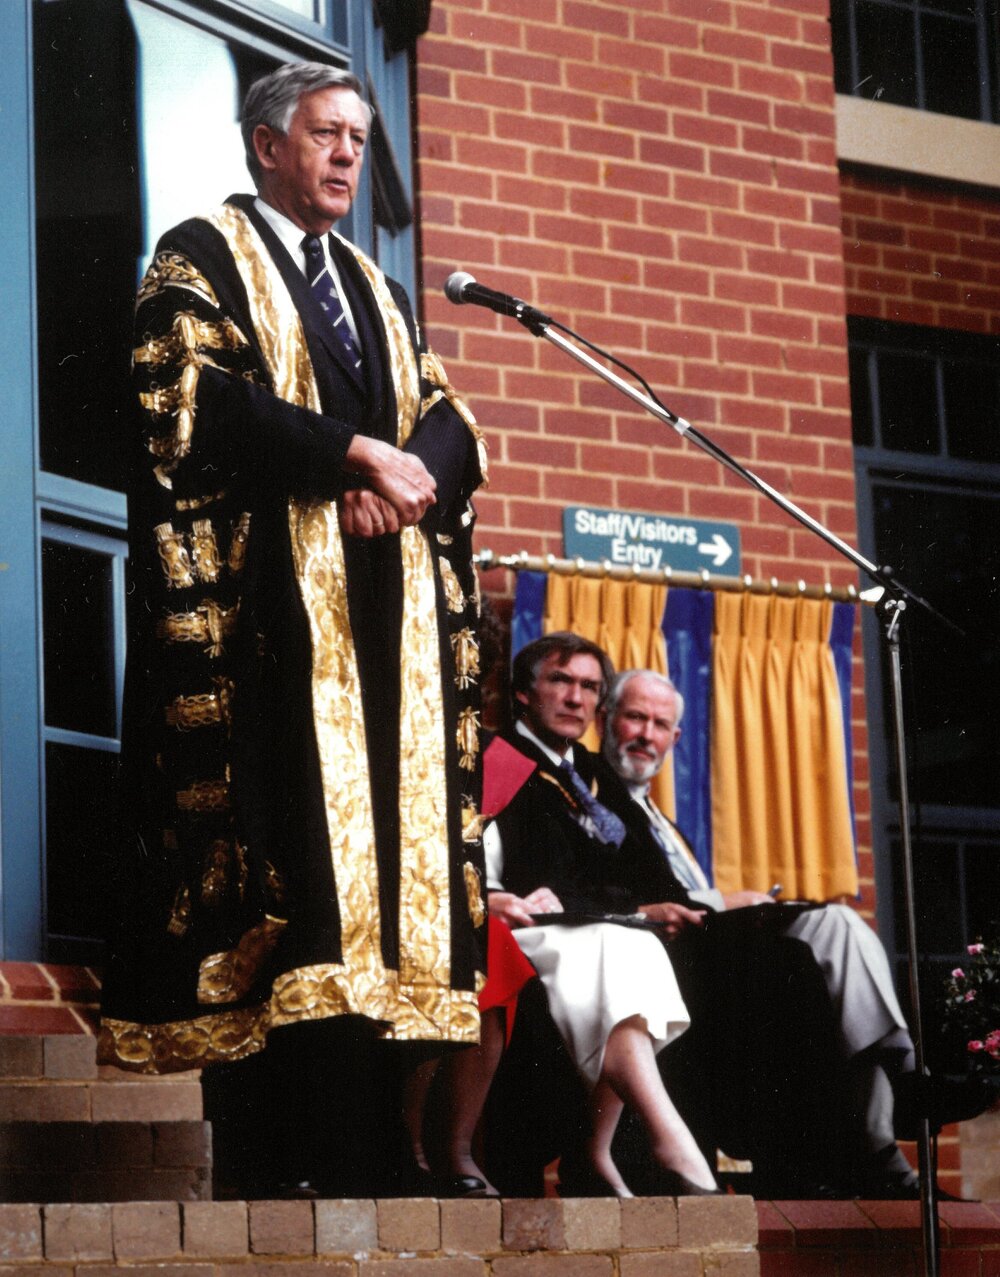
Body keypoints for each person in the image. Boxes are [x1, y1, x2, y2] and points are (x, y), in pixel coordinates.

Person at [97, 62, 488, 1195]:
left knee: (386, 882)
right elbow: (190, 398)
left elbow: (440, 408)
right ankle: (284, 1162)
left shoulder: (375, 281)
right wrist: (347, 454)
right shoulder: (197, 253)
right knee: (296, 872)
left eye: (359, 140)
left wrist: (404, 478)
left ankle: (375, 1149)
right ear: (267, 143)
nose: (346, 158)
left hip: (380, 626)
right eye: (326, 135)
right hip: (268, 624)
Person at [596, 668, 994, 1198]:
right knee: (806, 953)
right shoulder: (594, 796)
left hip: (714, 944)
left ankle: (895, 1098)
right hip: (675, 962)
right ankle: (897, 1097)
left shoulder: (662, 819)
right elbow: (633, 895)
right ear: (607, 719)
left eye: (660, 723)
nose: (647, 733)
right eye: (635, 717)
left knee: (839, 924)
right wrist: (726, 901)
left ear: (676, 738)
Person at [485, 633, 719, 1197]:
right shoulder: (491, 759)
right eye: (560, 681)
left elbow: (643, 873)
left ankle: (597, 1151)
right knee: (619, 948)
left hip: (584, 925)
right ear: (523, 692)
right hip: (517, 923)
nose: (576, 698)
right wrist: (486, 895)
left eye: (590, 686)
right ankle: (668, 1145)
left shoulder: (591, 773)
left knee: (635, 944)